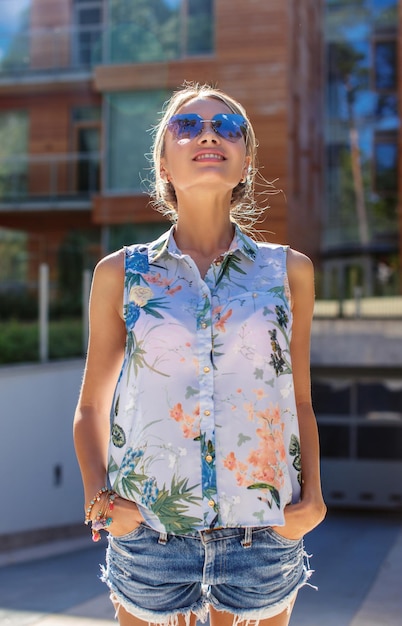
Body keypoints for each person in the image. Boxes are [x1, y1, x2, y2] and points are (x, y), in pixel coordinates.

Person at [73, 82, 326, 626]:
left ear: (245, 161)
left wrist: (313, 502)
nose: (208, 133)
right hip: (151, 536)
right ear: (163, 161)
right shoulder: (122, 275)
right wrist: (102, 502)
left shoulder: (291, 273)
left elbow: (298, 400)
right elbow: (91, 407)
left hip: (263, 535)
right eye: (186, 126)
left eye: (227, 126)